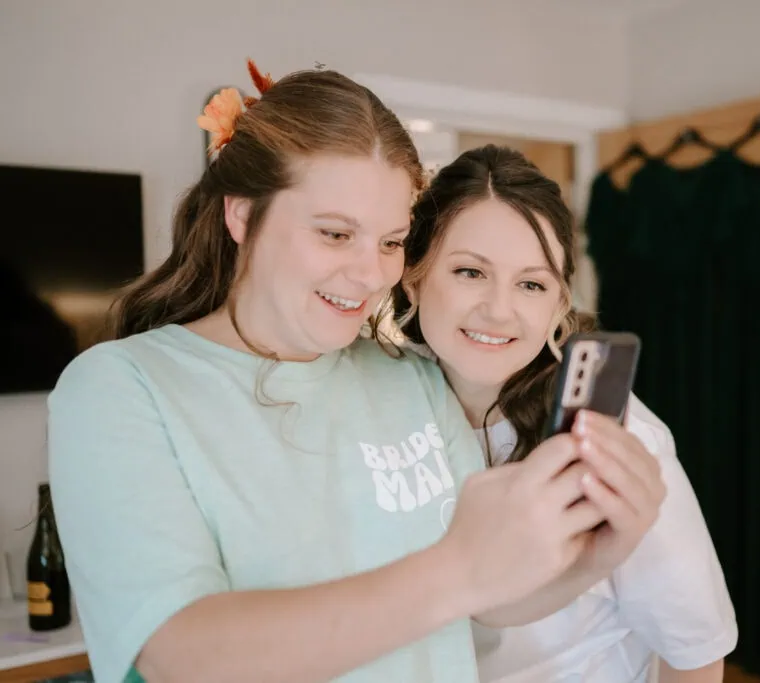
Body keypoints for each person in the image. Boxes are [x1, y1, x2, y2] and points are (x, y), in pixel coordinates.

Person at [45, 62, 666, 683]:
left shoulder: (411, 377)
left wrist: (596, 555)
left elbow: (486, 603)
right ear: (240, 215)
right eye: (336, 233)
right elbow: (180, 654)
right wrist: (457, 569)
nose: (371, 275)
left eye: (392, 242)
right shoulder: (119, 389)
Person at [389, 145, 739, 682]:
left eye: (531, 284)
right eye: (469, 272)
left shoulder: (616, 440)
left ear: (558, 304)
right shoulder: (382, 401)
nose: (499, 309)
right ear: (413, 277)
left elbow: (695, 652)